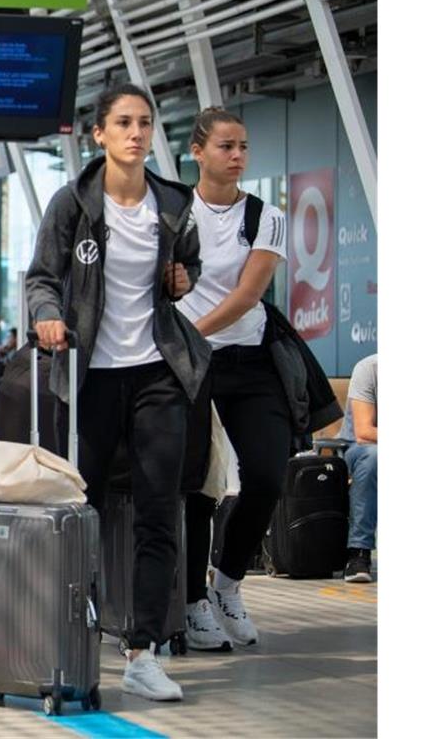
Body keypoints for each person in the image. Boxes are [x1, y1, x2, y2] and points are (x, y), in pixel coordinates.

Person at [25, 83, 207, 702]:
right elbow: (41, 279)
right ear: (99, 134)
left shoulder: (174, 204)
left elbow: (188, 270)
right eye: (123, 123)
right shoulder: (71, 204)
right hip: (89, 376)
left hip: (158, 372)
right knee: (80, 510)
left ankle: (143, 649)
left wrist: (184, 279)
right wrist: (47, 317)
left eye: (145, 123)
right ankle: (69, 629)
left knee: (160, 511)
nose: (136, 133)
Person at [175, 108, 291, 653]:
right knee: (199, 486)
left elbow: (247, 296)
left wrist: (190, 332)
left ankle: (228, 584)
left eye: (243, 146)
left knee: (268, 475)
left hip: (248, 359)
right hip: (193, 366)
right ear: (198, 151)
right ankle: (193, 601)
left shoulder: (266, 216)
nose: (237, 155)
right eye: (226, 146)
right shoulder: (174, 214)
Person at [340, 354, 377, 583]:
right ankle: (358, 553)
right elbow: (364, 432)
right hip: (360, 448)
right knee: (375, 457)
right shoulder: (369, 368)